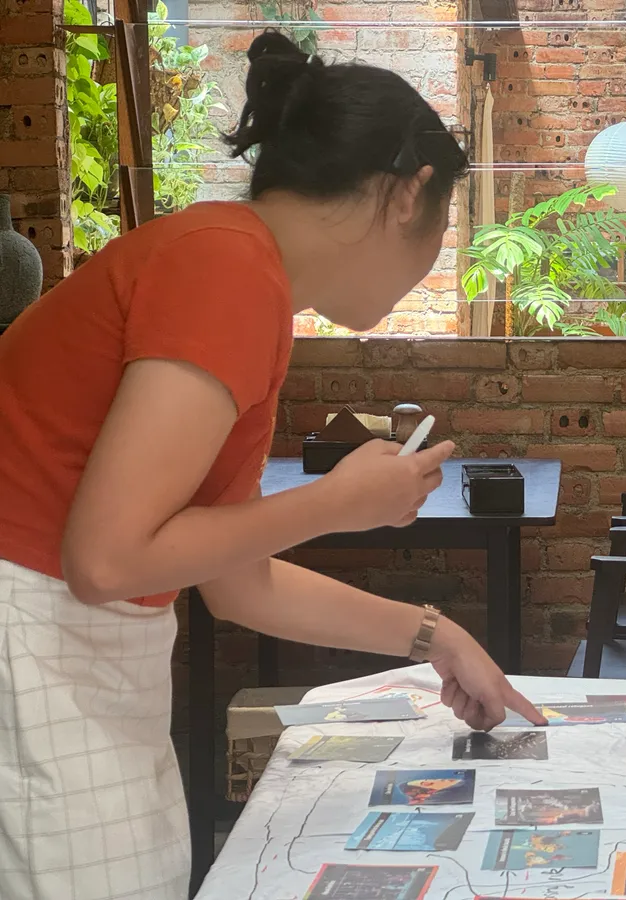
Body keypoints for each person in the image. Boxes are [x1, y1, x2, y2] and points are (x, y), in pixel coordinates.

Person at [0, 31, 545, 900]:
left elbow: (237, 584)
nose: (437, 252)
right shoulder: (225, 267)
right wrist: (335, 503)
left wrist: (436, 637)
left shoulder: (237, 269)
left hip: (80, 648)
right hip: (35, 639)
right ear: (408, 194)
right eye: (445, 222)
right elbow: (104, 560)